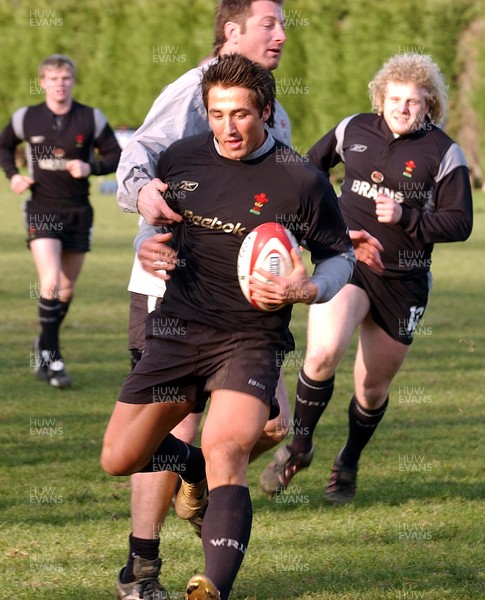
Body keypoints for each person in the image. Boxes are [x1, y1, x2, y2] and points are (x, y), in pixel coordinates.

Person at [101, 53, 355, 600]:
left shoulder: (302, 180)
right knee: (118, 458)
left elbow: (340, 256)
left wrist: (308, 289)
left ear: (265, 111)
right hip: (177, 328)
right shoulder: (180, 159)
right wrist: (147, 250)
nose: (228, 127)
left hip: (250, 337)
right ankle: (189, 469)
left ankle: (211, 586)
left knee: (228, 448)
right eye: (217, 114)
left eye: (240, 114)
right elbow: (153, 231)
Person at [114, 2, 293, 598]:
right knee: (181, 422)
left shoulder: (276, 114)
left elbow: (288, 201)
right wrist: (146, 207)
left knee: (272, 424)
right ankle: (141, 569)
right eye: (270, 23)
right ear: (231, 31)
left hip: (247, 310)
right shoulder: (191, 92)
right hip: (174, 289)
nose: (282, 34)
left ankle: (196, 477)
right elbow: (135, 159)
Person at [259, 52, 473, 504]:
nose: (402, 107)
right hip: (348, 262)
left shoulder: (444, 152)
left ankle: (349, 461)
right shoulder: (352, 129)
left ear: (429, 105)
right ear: (380, 99)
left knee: (372, 388)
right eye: (394, 98)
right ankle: (299, 447)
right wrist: (322, 222)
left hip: (404, 280)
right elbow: (308, 170)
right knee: (321, 355)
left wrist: (407, 217)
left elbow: (460, 223)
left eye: (413, 101)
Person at [0, 54, 121, 388]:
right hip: (42, 208)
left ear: (72, 81)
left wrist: (91, 168)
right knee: (50, 280)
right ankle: (53, 359)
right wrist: (13, 175)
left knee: (66, 288)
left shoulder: (90, 118)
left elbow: (115, 155)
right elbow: (3, 146)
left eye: (65, 78)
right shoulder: (27, 118)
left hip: (79, 210)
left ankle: (43, 343)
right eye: (53, 78)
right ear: (42, 82)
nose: (59, 84)